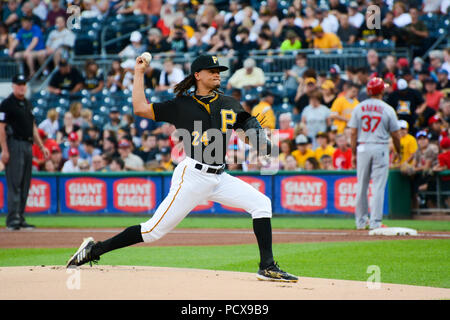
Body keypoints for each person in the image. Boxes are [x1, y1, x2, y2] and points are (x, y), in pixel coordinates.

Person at [66, 54, 298, 283]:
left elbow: (245, 134)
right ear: (197, 75)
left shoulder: (230, 103)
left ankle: (267, 266)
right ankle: (93, 250)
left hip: (220, 176)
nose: (217, 73)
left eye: (219, 71)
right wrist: (138, 73)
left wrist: (260, 142)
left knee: (261, 204)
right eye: (212, 70)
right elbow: (140, 108)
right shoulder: (181, 105)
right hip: (193, 176)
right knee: (151, 232)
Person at [348, 77, 401, 230]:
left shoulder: (359, 107)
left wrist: (353, 153)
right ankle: (375, 222)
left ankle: (360, 222)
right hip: (380, 146)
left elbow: (353, 133)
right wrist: (398, 150)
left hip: (362, 147)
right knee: (378, 186)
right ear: (381, 91)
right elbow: (396, 134)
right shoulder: (387, 108)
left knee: (361, 185)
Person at [0, 74, 49, 230]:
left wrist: (41, 146)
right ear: (13, 86)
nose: (22, 87)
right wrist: (4, 150)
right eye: (19, 84)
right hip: (14, 144)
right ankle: (12, 219)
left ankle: (20, 217)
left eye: (24, 84)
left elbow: (33, 126)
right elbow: (1, 128)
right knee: (15, 183)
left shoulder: (27, 103)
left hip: (28, 145)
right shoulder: (7, 104)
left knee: (25, 183)